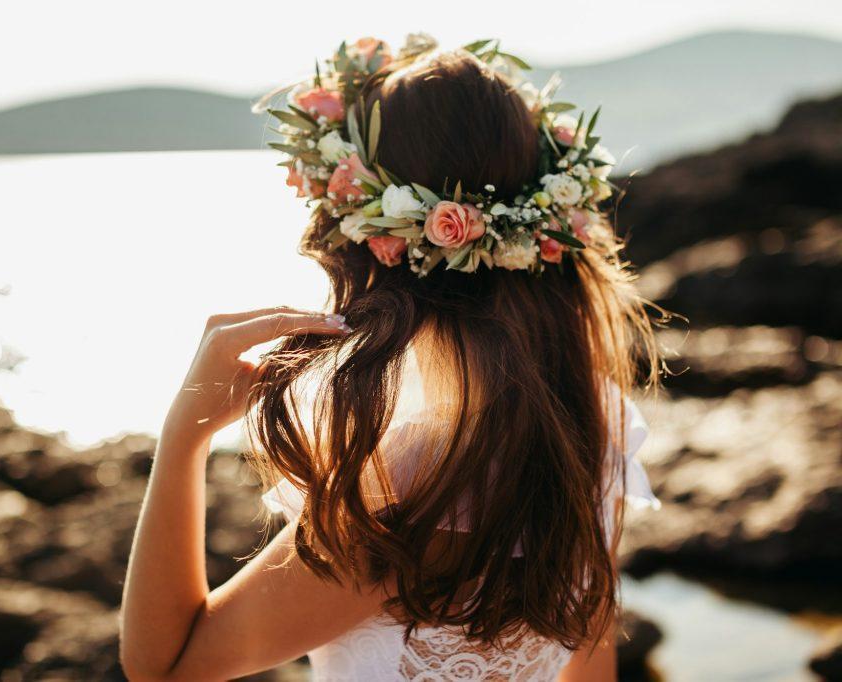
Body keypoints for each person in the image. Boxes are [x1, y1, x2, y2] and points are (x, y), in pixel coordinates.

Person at [120, 34, 664, 681]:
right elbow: (590, 667)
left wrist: (186, 431)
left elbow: (160, 667)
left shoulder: (411, 491)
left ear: (362, 239)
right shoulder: (589, 426)